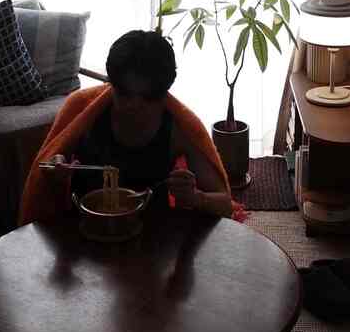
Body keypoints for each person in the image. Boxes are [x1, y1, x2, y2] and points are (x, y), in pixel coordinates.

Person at [18, 30, 234, 224]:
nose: (134, 106)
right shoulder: (81, 109)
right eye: (124, 94)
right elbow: (48, 171)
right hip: (84, 228)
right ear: (111, 85)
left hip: (153, 235)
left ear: (164, 94)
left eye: (148, 98)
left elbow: (225, 204)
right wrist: (56, 170)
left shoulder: (178, 127)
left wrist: (195, 197)